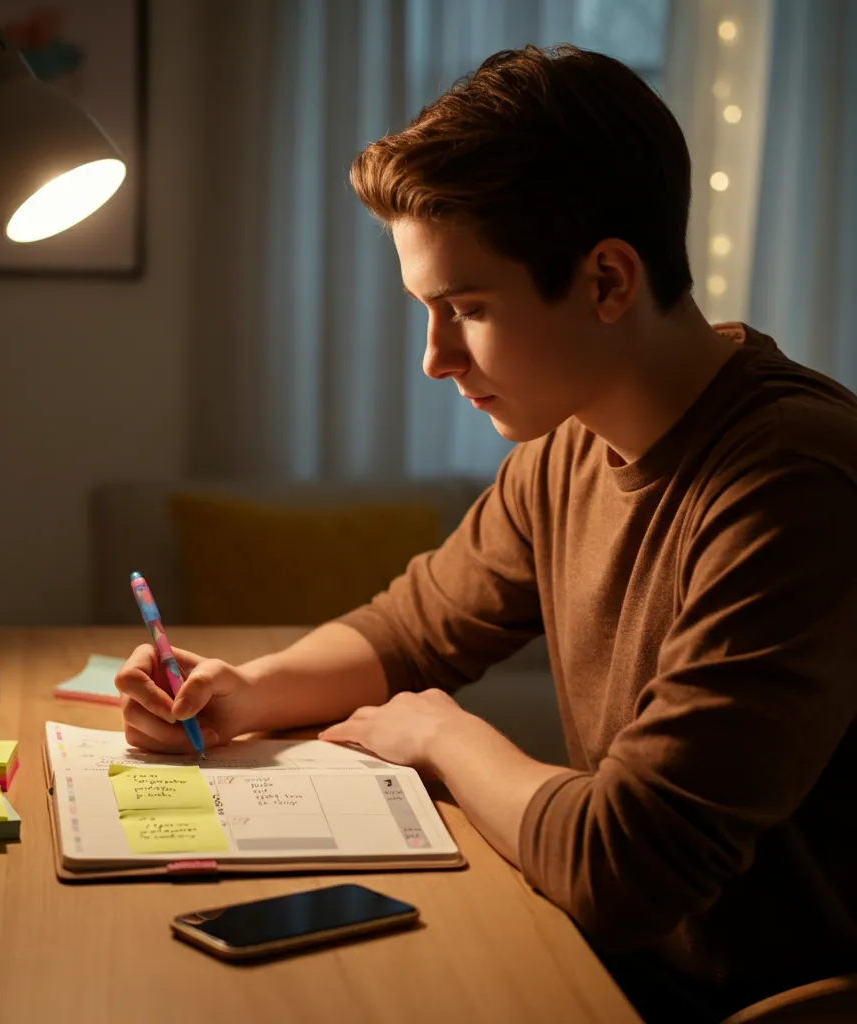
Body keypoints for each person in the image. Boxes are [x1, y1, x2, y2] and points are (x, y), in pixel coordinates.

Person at [116, 45, 857, 1022]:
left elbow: (622, 863)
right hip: (624, 963)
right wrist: (248, 693)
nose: (434, 359)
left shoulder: (794, 480)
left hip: (775, 1000)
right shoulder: (566, 448)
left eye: (465, 308)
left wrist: (442, 733)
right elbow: (414, 627)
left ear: (606, 279)